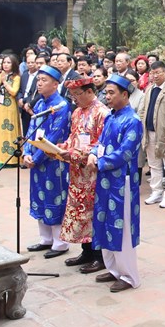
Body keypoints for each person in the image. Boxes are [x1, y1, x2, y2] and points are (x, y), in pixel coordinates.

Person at [88, 74, 144, 292]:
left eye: (111, 93)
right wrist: (93, 154)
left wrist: (99, 163)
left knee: (122, 227)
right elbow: (100, 142)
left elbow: (124, 154)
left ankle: (129, 276)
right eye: (106, 92)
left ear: (125, 94)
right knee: (104, 222)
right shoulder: (110, 118)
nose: (107, 96)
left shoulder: (133, 121)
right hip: (105, 180)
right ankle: (113, 269)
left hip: (122, 181)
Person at [60, 76, 110, 273]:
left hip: (92, 172)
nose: (75, 99)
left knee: (93, 213)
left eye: (77, 95)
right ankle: (86, 251)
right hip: (76, 172)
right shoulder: (77, 113)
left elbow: (101, 146)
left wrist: (76, 153)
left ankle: (99, 255)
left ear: (90, 92)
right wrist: (61, 148)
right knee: (79, 213)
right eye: (72, 96)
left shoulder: (102, 113)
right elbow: (73, 138)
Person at [22, 64, 71, 257]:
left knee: (55, 196)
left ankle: (60, 242)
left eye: (44, 80)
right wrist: (27, 151)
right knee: (38, 195)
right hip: (36, 159)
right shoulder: (40, 104)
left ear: (55, 84)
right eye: (39, 80)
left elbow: (53, 135)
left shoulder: (61, 106)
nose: (39, 83)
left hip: (53, 159)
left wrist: (36, 157)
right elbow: (31, 130)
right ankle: (45, 238)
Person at [139, 61, 165, 208]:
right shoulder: (150, 89)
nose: (155, 76)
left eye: (158, 73)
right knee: (154, 164)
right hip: (149, 132)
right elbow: (143, 110)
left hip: (163, 134)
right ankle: (156, 192)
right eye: (152, 73)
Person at [0, 54, 22, 167]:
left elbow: (13, 92)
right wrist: (0, 80)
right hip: (0, 107)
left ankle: (13, 159)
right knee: (0, 132)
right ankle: (1, 159)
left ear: (13, 64)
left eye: (8, 62)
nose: (6, 65)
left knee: (11, 131)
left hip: (11, 106)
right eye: (4, 62)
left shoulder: (16, 77)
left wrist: (5, 82)